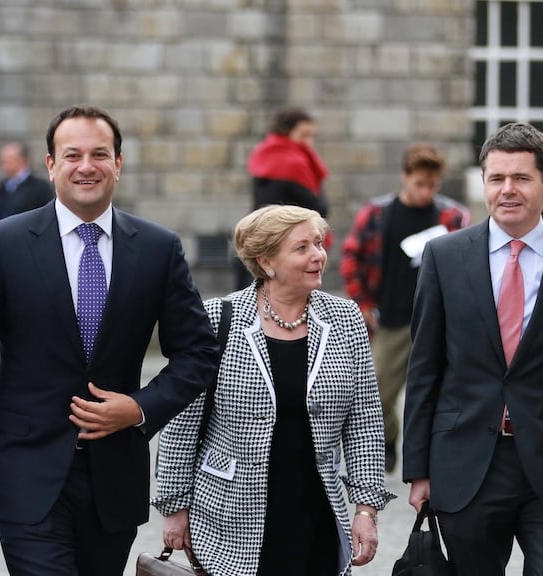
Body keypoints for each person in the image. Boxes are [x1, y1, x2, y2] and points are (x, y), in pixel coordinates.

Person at [0, 105, 219, 576]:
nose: (86, 166)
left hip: (114, 477)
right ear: (51, 165)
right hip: (24, 471)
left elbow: (198, 353)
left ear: (119, 163)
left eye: (99, 154)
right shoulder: (3, 244)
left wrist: (140, 407)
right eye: (72, 155)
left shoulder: (157, 248)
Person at [403, 123, 543, 576]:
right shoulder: (443, 258)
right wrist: (419, 467)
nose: (508, 190)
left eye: (521, 178)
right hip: (466, 466)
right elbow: (424, 369)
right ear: (483, 183)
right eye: (496, 178)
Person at [154, 204, 395, 576]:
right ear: (266, 262)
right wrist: (173, 508)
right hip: (229, 517)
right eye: (302, 248)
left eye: (319, 243)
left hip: (316, 510)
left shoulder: (346, 319)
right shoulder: (217, 318)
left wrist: (365, 509)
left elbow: (364, 422)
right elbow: (181, 424)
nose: (318, 255)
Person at [339, 144, 470, 473]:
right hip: (392, 316)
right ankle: (387, 441)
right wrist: (363, 302)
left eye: (434, 185)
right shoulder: (377, 214)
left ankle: (433, 453)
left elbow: (467, 264)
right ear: (405, 177)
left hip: (438, 318)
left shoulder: (452, 217)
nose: (427, 192)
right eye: (420, 184)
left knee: (438, 390)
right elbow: (351, 258)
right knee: (379, 390)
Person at [236, 106, 330, 289]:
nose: (309, 143)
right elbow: (319, 207)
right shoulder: (294, 162)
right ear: (287, 133)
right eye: (303, 135)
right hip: (286, 245)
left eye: (312, 136)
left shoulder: (265, 153)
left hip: (261, 240)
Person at [0, 140, 54, 221]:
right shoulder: (3, 187)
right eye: (2, 161)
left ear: (23, 160)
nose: (4, 165)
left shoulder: (40, 188)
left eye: (9, 160)